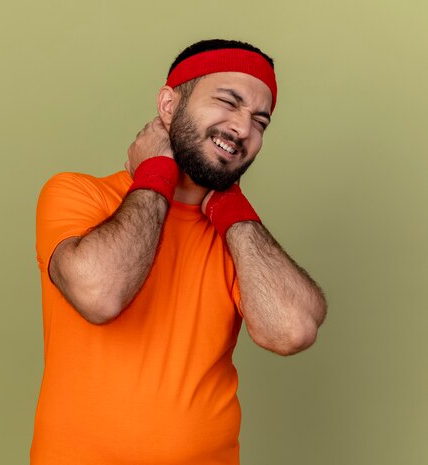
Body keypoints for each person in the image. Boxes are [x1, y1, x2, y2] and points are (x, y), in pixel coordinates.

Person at [31, 39, 327, 465]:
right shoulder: (79, 194)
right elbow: (99, 295)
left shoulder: (237, 238)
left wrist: (229, 208)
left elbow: (292, 330)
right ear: (169, 105)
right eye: (228, 101)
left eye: (260, 121)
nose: (243, 129)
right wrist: (156, 174)